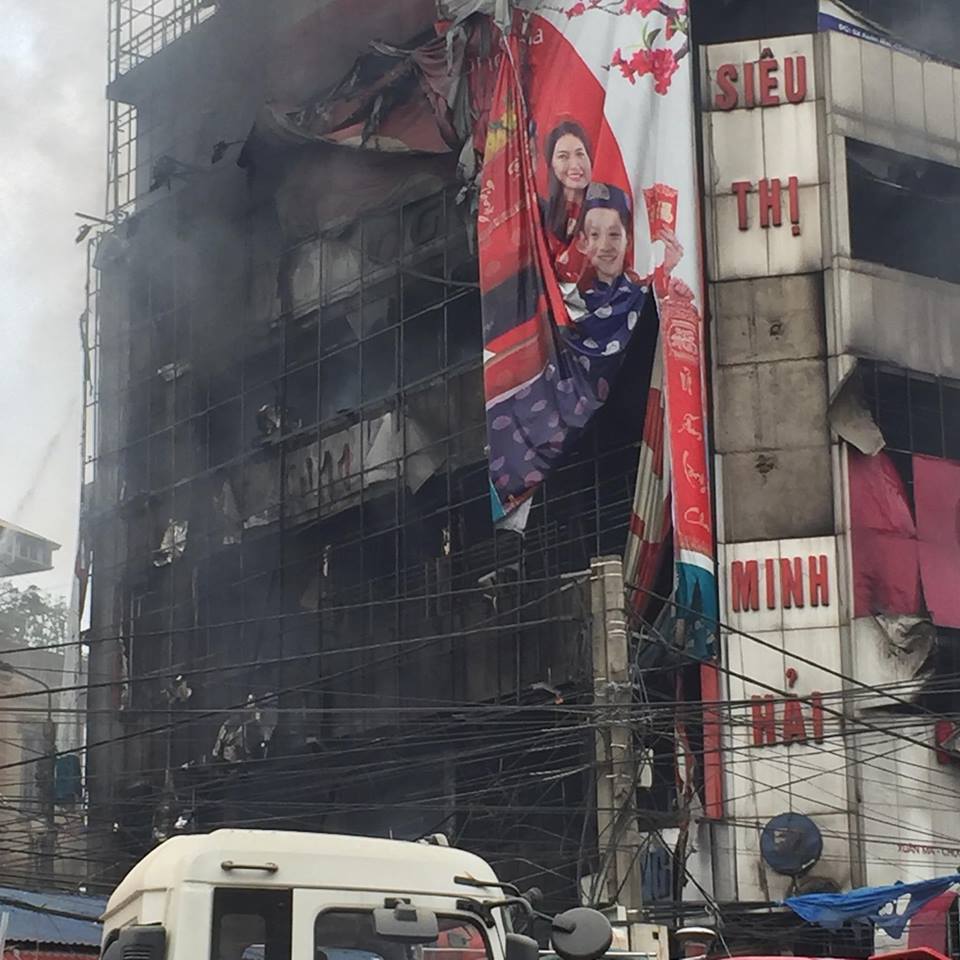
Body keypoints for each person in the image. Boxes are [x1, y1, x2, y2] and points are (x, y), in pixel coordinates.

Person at [541, 120, 593, 277]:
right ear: (551, 164)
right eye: (563, 157)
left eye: (580, 154)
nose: (575, 165)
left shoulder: (609, 208)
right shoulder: (540, 211)